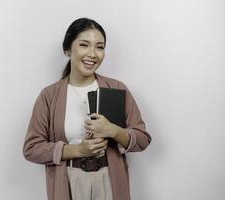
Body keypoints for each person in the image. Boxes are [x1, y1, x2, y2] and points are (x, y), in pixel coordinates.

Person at [23, 18, 152, 200]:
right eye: (84, 45)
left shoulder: (117, 89)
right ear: (67, 50)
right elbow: (31, 148)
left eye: (100, 47)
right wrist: (78, 150)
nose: (93, 53)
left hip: (110, 179)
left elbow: (143, 139)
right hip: (69, 181)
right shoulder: (49, 96)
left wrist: (114, 131)